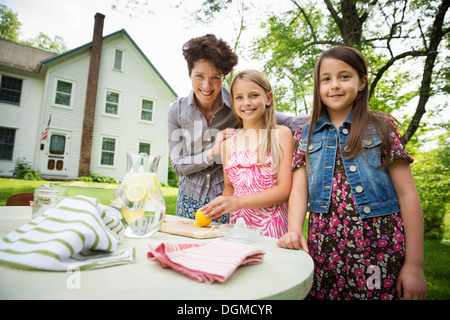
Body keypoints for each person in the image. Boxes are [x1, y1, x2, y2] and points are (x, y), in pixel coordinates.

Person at [277, 46, 427, 300]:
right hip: (324, 248)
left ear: (361, 82)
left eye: (344, 76)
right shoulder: (305, 135)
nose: (334, 85)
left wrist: (415, 266)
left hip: (379, 247)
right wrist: (294, 230)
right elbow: (299, 190)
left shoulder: (381, 127)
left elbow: (407, 194)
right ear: (318, 86)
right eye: (326, 79)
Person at [168, 34, 309, 224]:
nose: (207, 86)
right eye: (199, 76)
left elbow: (283, 120)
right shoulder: (176, 111)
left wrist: (330, 110)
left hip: (229, 200)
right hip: (191, 196)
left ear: (223, 77)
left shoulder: (238, 105)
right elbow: (178, 164)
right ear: (189, 73)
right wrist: (213, 152)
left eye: (215, 78)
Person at [201, 70, 293, 238]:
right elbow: (229, 187)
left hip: (272, 231)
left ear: (268, 98)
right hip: (238, 229)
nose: (246, 103)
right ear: (233, 102)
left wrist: (237, 202)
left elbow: (284, 190)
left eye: (253, 95)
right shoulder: (228, 143)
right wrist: (220, 207)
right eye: (239, 97)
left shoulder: (281, 134)